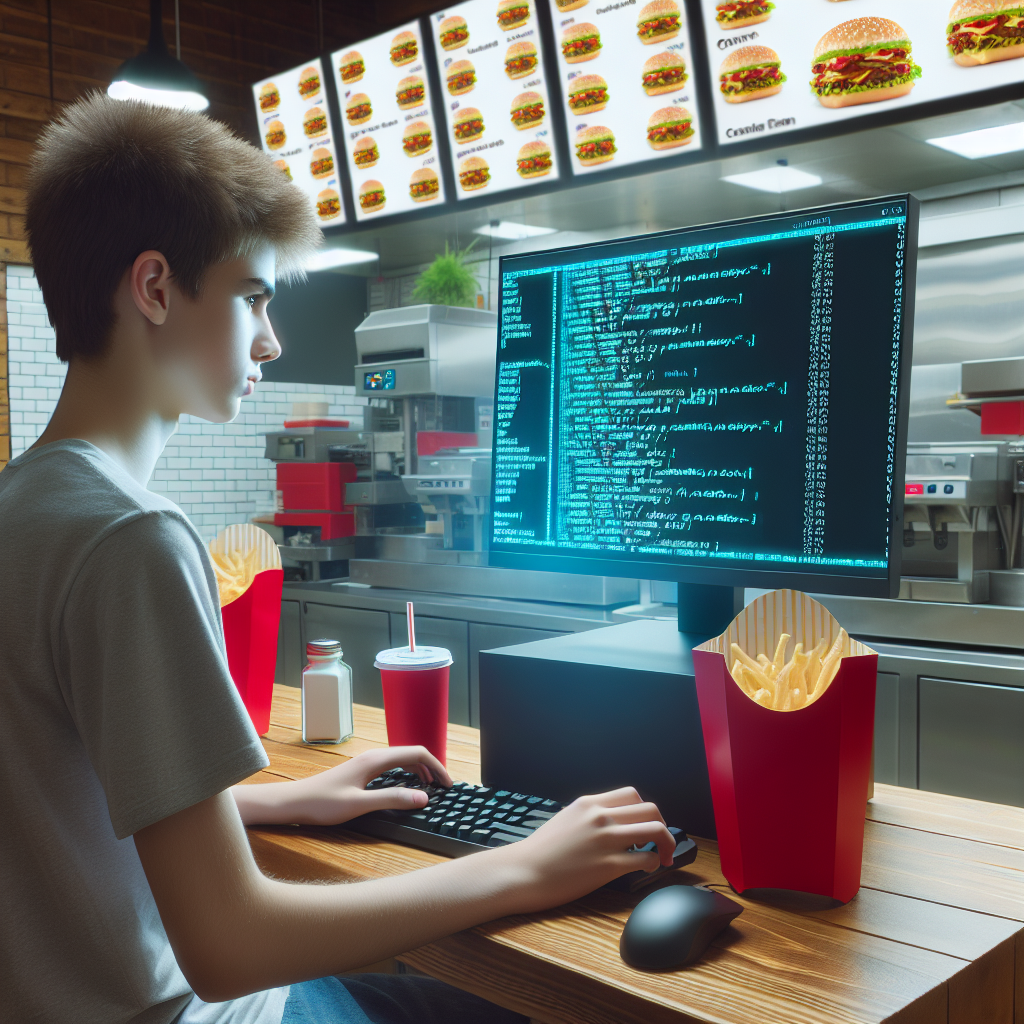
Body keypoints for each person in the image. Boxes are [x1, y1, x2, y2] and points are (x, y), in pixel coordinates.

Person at [0, 93, 675, 1024]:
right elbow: (230, 946)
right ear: (154, 288)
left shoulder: (20, 506)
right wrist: (527, 864)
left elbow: (58, 823)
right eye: (252, 299)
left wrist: (282, 805)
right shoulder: (131, 537)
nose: (271, 341)